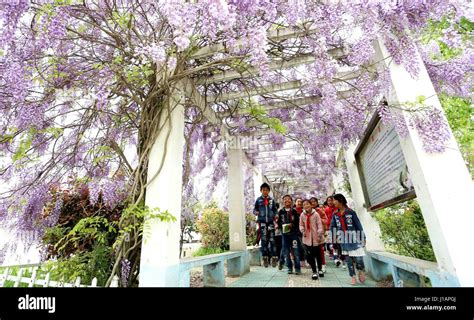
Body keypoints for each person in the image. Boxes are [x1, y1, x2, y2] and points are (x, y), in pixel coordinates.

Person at [330, 193, 367, 285]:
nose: (333, 202)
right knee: (348, 260)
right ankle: (352, 276)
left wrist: (363, 237)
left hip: (354, 238)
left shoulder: (351, 212)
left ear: (340, 200)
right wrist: (334, 239)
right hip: (343, 239)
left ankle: (361, 270)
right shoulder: (335, 214)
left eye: (334, 200)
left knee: (359, 259)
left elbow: (358, 225)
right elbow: (333, 227)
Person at [253, 183, 278, 268]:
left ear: (269, 191)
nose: (265, 191)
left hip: (271, 223)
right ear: (261, 191)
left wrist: (276, 214)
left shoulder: (271, 200)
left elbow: (275, 210)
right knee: (264, 241)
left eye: (267, 190)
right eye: (263, 190)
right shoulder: (258, 200)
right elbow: (254, 209)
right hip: (262, 223)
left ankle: (274, 258)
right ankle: (265, 258)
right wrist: (256, 212)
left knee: (272, 240)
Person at [299, 199, 325, 280]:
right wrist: (302, 230)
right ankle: (314, 272)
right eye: (304, 205)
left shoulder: (316, 214)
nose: (306, 206)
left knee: (318, 255)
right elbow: (301, 224)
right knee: (310, 256)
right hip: (307, 238)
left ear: (311, 205)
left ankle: (320, 269)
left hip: (317, 238)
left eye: (307, 204)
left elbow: (319, 224)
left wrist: (319, 233)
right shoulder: (302, 215)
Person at [277, 195, 301, 274]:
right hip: (285, 235)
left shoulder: (294, 211)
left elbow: (297, 222)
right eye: (285, 199)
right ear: (283, 201)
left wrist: (292, 225)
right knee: (286, 252)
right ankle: (289, 268)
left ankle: (297, 268)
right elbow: (278, 222)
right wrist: (282, 226)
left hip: (293, 234)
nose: (287, 200)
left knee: (296, 251)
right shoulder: (281, 211)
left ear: (291, 201)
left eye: (289, 199)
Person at [310, 197, 327, 274]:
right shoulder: (307, 211)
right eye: (311, 202)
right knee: (312, 251)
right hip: (310, 235)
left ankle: (323, 265)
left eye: (314, 201)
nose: (313, 203)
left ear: (317, 202)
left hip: (319, 234)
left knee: (320, 251)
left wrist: (318, 219)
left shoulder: (319, 211)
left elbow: (325, 220)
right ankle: (315, 265)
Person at [293, 198, 306, 267]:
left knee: (302, 247)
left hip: (302, 232)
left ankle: (302, 260)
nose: (299, 203)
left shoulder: (304, 212)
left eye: (301, 202)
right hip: (294, 232)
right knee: (294, 247)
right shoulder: (292, 211)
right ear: (295, 203)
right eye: (298, 201)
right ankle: (296, 261)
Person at [325, 196, 337, 261]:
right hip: (328, 227)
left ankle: (337, 256)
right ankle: (332, 254)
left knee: (335, 242)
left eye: (331, 200)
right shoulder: (326, 209)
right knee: (329, 242)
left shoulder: (337, 208)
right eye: (328, 201)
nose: (330, 202)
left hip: (336, 227)